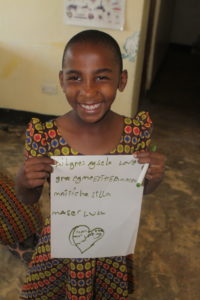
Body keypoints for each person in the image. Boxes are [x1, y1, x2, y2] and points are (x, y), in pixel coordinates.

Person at [16, 29, 165, 299]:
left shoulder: (134, 132)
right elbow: (28, 198)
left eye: (101, 77)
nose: (88, 91)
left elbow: (140, 189)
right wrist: (24, 180)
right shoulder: (45, 136)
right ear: (62, 81)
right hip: (60, 244)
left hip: (112, 242)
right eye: (75, 77)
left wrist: (153, 176)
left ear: (121, 81)